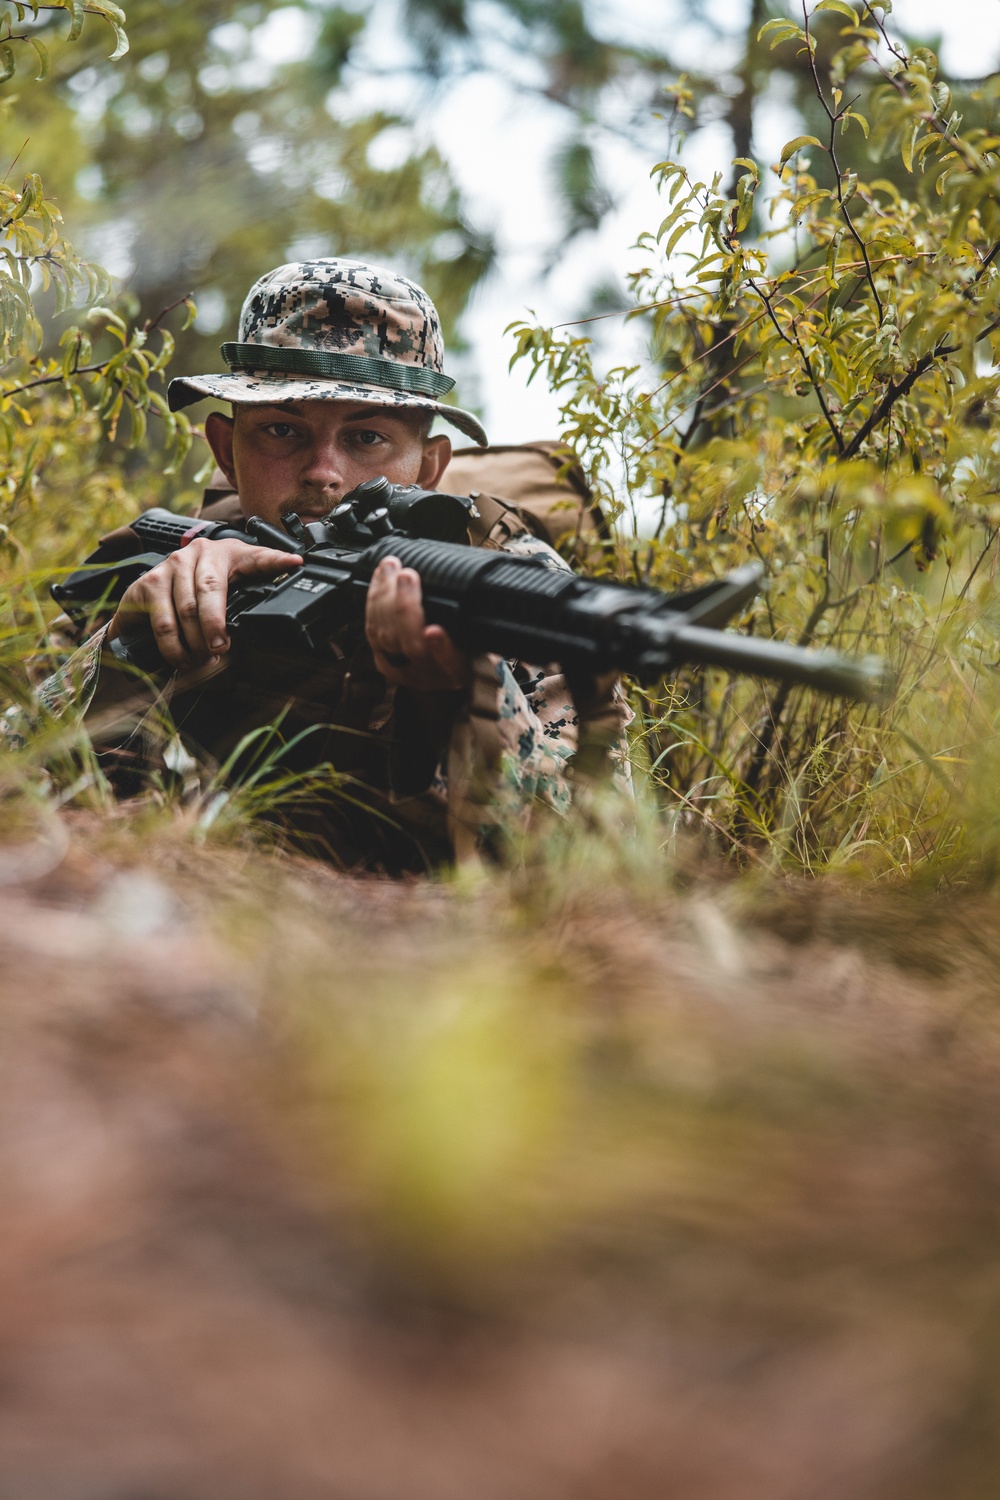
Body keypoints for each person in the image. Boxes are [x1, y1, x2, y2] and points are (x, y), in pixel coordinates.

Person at [8, 257, 630, 871]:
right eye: (282, 431)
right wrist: (122, 655)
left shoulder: (509, 583)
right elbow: (17, 777)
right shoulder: (179, 568)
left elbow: (596, 855)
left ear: (431, 468)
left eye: (367, 438)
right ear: (227, 450)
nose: (323, 473)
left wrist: (466, 695)